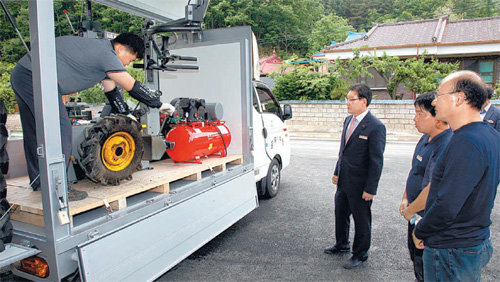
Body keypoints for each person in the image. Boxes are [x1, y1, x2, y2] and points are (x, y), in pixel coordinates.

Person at [10, 33, 175, 201]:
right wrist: (159, 104)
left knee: (33, 130)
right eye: (130, 60)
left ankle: (39, 181)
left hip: (22, 74)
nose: (127, 64)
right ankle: (58, 188)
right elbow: (131, 85)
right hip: (35, 78)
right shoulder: (107, 54)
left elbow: (111, 91)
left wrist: (126, 113)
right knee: (60, 129)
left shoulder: (100, 50)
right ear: (120, 48)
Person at [412, 71, 500, 281]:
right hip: (471, 240)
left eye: (439, 95)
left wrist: (420, 230)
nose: (434, 101)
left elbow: (448, 204)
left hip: (453, 248)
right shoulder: (489, 135)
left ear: (459, 98)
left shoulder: (465, 142)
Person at [325, 83, 386, 269]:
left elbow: (376, 161)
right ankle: (342, 244)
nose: (347, 103)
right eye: (347, 99)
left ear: (364, 101)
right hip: (344, 180)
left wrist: (370, 189)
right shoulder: (348, 121)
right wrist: (337, 171)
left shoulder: (375, 127)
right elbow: (343, 150)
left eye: (352, 99)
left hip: (361, 184)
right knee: (340, 213)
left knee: (361, 220)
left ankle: (360, 254)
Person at [399, 92, 452, 282]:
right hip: (414, 213)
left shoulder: (445, 144)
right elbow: (415, 171)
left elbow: (432, 187)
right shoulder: (425, 139)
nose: (415, 118)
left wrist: (411, 210)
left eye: (421, 113)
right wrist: (406, 198)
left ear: (438, 118)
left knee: (428, 265)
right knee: (416, 259)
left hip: (426, 216)